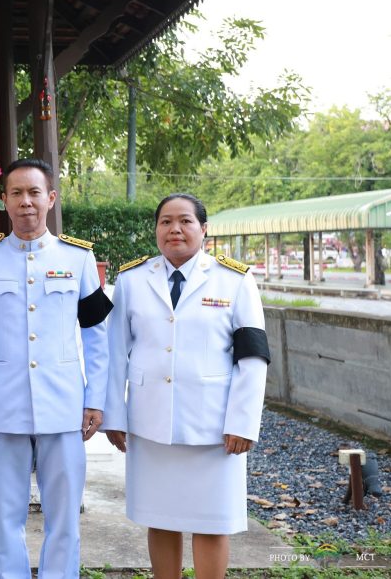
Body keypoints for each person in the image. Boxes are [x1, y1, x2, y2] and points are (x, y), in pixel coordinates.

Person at [102, 193, 270, 579]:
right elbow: (115, 355)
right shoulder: (131, 280)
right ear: (156, 229)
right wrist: (114, 414)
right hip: (151, 422)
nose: (174, 229)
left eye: (185, 221)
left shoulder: (235, 280)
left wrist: (243, 423)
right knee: (160, 518)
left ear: (204, 229)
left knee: (212, 521)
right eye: (165, 222)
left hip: (213, 427)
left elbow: (253, 357)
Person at [0, 158, 112, 579]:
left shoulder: (79, 259)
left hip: (63, 405)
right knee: (5, 518)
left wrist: (95, 399)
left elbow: (97, 337)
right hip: (2, 407)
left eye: (34, 193)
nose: (26, 202)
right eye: (16, 193)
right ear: (2, 201)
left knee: (64, 518)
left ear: (51, 198)